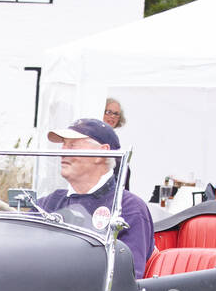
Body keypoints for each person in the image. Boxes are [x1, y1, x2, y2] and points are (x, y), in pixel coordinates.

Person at [36, 118, 154, 278]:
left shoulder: (128, 207)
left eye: (72, 145)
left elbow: (126, 279)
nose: (62, 151)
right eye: (63, 144)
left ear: (101, 153)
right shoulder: (49, 202)